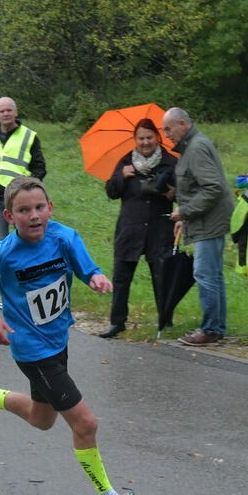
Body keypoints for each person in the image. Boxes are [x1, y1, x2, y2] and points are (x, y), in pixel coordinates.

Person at [0, 177, 150, 495]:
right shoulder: (2, 254)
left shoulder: (64, 238)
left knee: (42, 419)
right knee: (85, 423)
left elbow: (87, 268)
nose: (33, 216)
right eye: (24, 210)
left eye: (39, 208)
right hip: (31, 350)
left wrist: (96, 278)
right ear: (9, 215)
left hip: (57, 341)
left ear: (50, 208)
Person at [163, 107, 234, 346]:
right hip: (205, 220)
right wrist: (185, 217)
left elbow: (213, 187)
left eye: (168, 129)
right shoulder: (191, 148)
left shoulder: (196, 148)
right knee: (212, 274)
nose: (167, 135)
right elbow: (197, 187)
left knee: (205, 274)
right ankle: (216, 327)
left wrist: (185, 211)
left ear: (182, 124)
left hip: (209, 222)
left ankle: (211, 329)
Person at [100, 118, 177, 338]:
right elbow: (111, 192)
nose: (145, 142)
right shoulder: (125, 162)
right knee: (121, 277)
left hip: (160, 227)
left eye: (149, 137)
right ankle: (117, 322)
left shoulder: (170, 162)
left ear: (158, 138)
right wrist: (121, 177)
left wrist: (169, 191)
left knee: (162, 276)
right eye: (141, 138)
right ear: (135, 140)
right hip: (130, 227)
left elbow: (183, 192)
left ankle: (165, 321)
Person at [0, 97, 47, 242]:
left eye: (9, 110)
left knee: (26, 238)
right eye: (2, 111)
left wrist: (29, 189)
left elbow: (39, 167)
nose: (5, 113)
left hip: (20, 198)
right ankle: (5, 265)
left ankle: (27, 265)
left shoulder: (29, 136)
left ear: (16, 112)